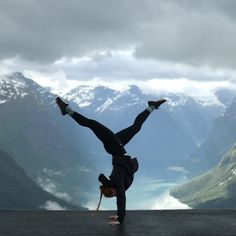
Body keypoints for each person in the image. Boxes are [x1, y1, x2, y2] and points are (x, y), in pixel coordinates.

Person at [56, 97, 166, 225]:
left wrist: (105, 187)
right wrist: (120, 217)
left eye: (113, 194)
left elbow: (102, 178)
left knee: (92, 124)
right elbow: (120, 199)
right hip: (117, 146)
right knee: (135, 128)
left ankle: (67, 110)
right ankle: (151, 106)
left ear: (111, 188)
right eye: (114, 194)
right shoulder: (119, 184)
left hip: (114, 147)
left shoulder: (115, 183)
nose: (116, 194)